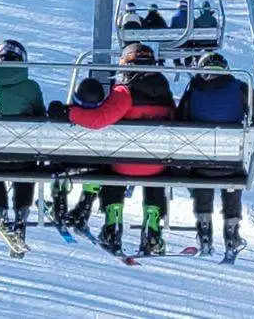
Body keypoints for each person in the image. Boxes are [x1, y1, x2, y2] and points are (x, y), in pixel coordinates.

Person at [48, 43, 175, 255]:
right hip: (155, 165)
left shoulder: (125, 92)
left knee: (107, 167)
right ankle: (153, 229)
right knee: (156, 175)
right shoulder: (165, 91)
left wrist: (68, 113)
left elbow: (99, 119)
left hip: (124, 164)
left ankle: (112, 225)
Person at [176, 52, 254, 258]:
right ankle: (231, 235)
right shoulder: (241, 88)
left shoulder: (194, 89)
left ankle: (204, 230)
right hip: (231, 163)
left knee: (202, 175)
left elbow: (181, 119)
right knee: (231, 180)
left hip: (200, 165)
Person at [0, 39, 45, 243]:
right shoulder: (31, 87)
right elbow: (40, 115)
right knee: (27, 164)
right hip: (23, 158)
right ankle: (21, 214)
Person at [52, 77, 105, 228]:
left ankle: (59, 201)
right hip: (95, 165)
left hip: (65, 164)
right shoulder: (105, 119)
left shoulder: (63, 113)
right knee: (100, 165)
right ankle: (86, 204)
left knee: (56, 164)